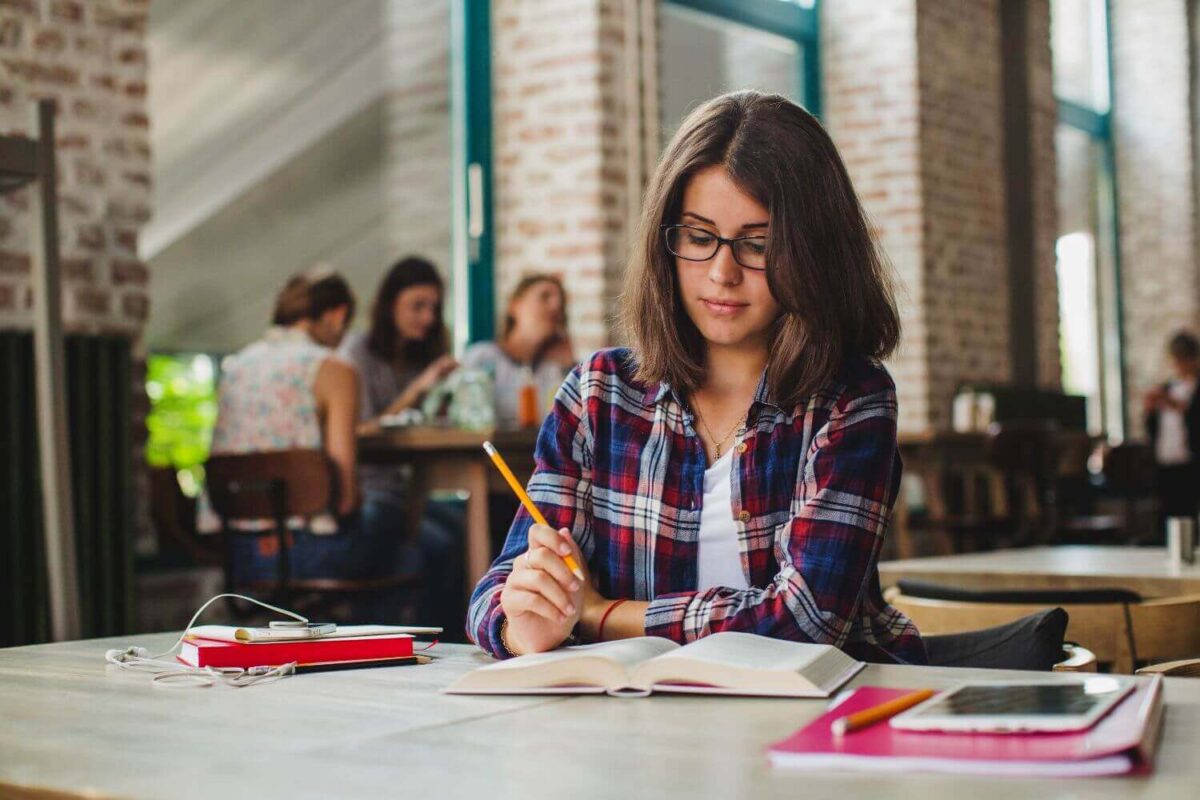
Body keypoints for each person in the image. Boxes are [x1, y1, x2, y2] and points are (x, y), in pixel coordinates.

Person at [467, 91, 926, 664]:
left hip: (817, 721)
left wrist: (599, 614)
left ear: (814, 254)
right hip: (638, 723)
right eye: (699, 237)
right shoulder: (598, 395)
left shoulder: (851, 400)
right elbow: (497, 592)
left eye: (758, 245)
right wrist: (525, 626)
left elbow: (807, 621)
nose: (722, 273)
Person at [209, 268, 400, 592]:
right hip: (312, 552)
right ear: (337, 316)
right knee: (424, 543)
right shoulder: (334, 368)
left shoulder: (236, 366)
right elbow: (346, 499)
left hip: (237, 555)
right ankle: (369, 639)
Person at [337, 256, 464, 634]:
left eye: (434, 308)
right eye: (417, 306)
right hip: (369, 490)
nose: (427, 317)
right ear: (390, 304)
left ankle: (451, 638)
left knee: (469, 528)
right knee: (440, 543)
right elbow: (357, 431)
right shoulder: (356, 353)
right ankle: (423, 639)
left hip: (410, 491)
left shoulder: (417, 356)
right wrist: (417, 390)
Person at [461, 274, 577, 428]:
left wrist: (569, 368)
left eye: (560, 303)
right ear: (515, 305)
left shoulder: (558, 368)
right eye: (545, 297)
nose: (556, 306)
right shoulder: (482, 358)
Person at [1144, 331, 1200, 531]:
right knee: (1167, 513)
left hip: (1191, 461)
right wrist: (1150, 410)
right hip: (1166, 459)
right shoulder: (1166, 388)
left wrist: (1179, 408)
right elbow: (1154, 428)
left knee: (1189, 513)